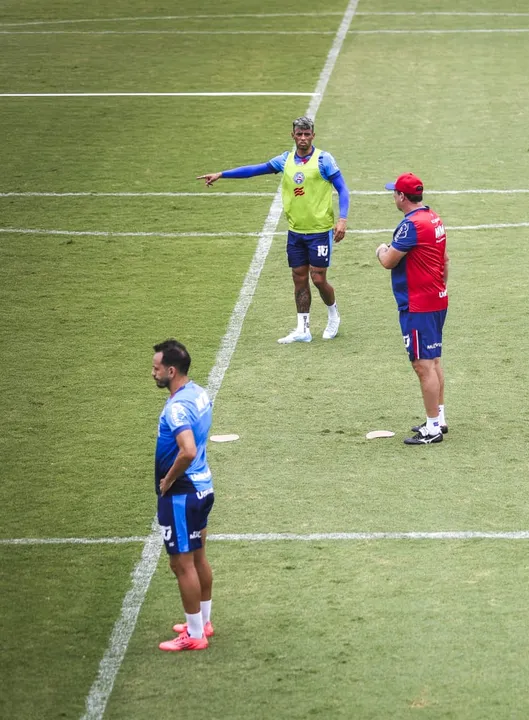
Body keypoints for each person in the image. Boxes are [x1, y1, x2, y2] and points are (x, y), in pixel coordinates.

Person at [197, 116, 350, 344]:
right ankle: (303, 328)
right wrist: (222, 174)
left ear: (313, 136)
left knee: (318, 279)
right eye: (299, 134)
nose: (303, 138)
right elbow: (254, 170)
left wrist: (342, 219)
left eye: (307, 134)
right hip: (295, 231)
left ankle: (333, 315)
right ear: (293, 136)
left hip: (319, 231)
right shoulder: (285, 160)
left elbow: (343, 189)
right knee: (299, 278)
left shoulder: (323, 160)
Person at [151, 339, 216, 651]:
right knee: (198, 556)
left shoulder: (176, 408)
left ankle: (194, 635)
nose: (153, 373)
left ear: (172, 370)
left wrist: (167, 480)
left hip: (182, 493)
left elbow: (188, 450)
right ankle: (203, 622)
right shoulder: (199, 393)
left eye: (157, 368)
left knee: (181, 564)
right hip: (203, 487)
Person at [376, 173, 449, 445]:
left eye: (394, 192)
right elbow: (446, 259)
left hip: (419, 304)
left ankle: (432, 428)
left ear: (402, 197)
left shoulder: (410, 226)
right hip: (436, 299)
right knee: (434, 361)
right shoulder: (433, 218)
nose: (393, 196)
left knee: (422, 365)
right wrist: (441, 288)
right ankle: (438, 418)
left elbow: (388, 261)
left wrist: (380, 249)